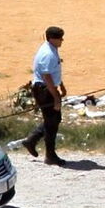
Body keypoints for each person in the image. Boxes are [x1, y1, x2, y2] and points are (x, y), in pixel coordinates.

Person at [23, 26, 68, 165]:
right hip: (45, 90)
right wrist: (55, 97)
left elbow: (54, 72)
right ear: (52, 39)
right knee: (52, 121)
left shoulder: (51, 49)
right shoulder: (48, 54)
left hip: (47, 87)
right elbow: (47, 76)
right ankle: (49, 155)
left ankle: (32, 140)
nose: (62, 40)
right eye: (60, 38)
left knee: (53, 120)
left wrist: (61, 85)